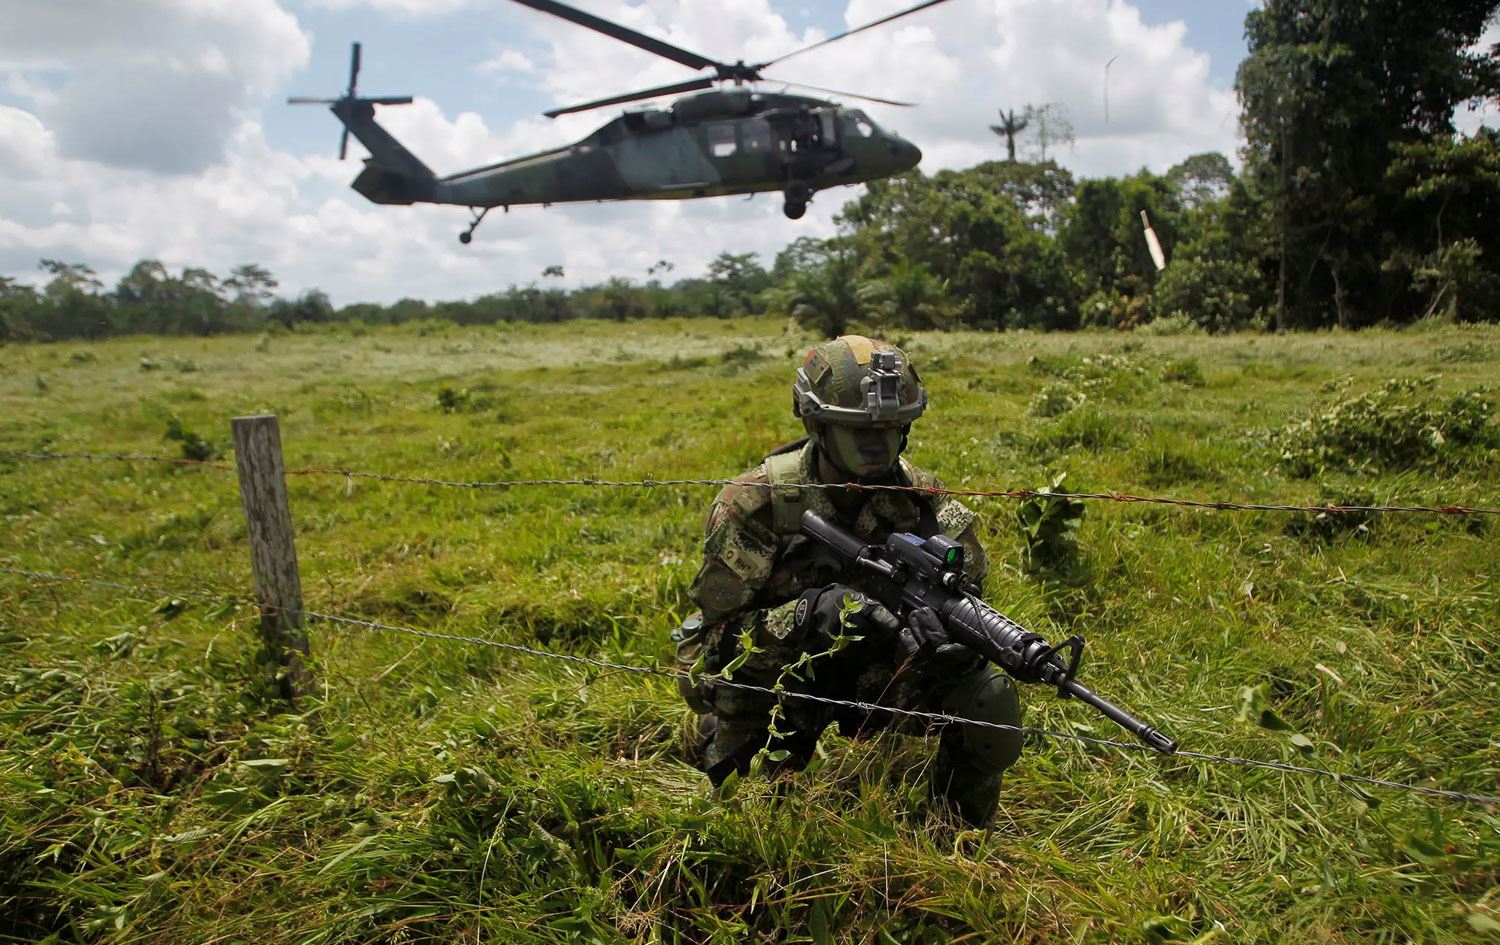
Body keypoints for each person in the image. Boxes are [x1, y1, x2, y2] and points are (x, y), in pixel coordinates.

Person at [674, 335, 1023, 825]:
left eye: (890, 427)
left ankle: (960, 843)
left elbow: (966, 600)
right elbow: (707, 651)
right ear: (815, 424)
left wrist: (947, 645)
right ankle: (726, 742)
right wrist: (809, 616)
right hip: (783, 680)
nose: (876, 443)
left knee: (986, 697)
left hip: (880, 670)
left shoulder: (930, 508)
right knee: (749, 820)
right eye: (856, 429)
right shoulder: (758, 506)